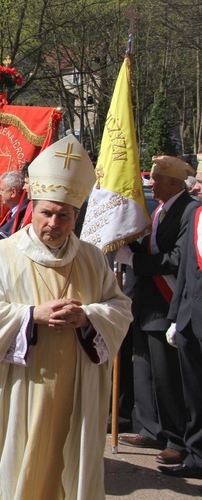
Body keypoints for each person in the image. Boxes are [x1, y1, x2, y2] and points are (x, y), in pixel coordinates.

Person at [0, 134, 133, 498]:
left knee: (65, 467)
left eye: (64, 215)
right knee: (15, 469)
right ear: (33, 208)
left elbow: (119, 308)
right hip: (18, 386)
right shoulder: (3, 255)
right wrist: (31, 314)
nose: (55, 222)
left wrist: (89, 317)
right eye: (47, 212)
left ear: (76, 216)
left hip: (76, 388)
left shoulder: (93, 258)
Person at [115, 155, 198, 465]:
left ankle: (176, 438)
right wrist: (126, 245)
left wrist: (134, 261)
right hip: (147, 301)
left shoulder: (189, 211)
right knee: (145, 368)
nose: (151, 183)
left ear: (174, 183)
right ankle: (150, 427)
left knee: (167, 376)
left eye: (157, 179)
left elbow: (176, 258)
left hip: (168, 301)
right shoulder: (162, 208)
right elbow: (153, 247)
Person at [161, 202, 202, 478]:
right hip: (190, 318)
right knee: (195, 395)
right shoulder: (197, 213)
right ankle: (197, 457)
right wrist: (176, 316)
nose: (197, 187)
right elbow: (188, 265)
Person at [0, 170, 28, 242]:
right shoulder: (12, 213)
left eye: (2, 190)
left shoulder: (23, 215)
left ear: (13, 192)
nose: (0, 193)